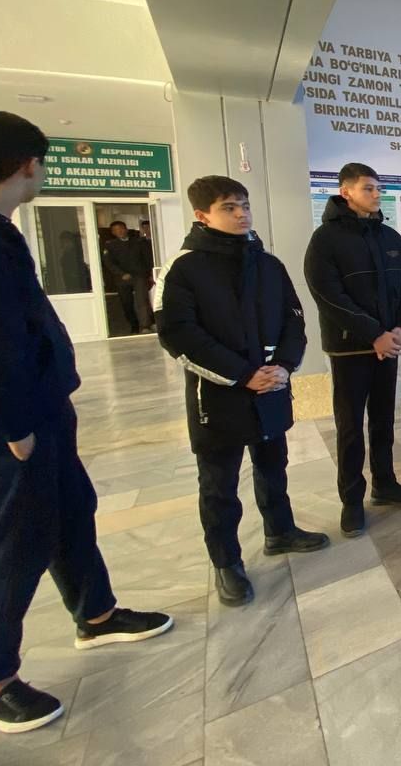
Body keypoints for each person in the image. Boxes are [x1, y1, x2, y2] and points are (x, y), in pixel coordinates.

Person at [0, 111, 172, 735]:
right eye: (42, 162)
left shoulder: (1, 231)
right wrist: (13, 427)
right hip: (13, 425)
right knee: (15, 541)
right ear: (26, 164)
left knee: (71, 512)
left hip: (42, 410)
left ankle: (95, 614)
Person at [156, 176, 329, 607]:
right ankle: (226, 562)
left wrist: (284, 365)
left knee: (273, 465)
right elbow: (180, 336)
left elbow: (293, 319)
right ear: (202, 215)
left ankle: (280, 530)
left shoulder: (267, 264)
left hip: (270, 385)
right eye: (229, 208)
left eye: (245, 206)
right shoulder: (183, 269)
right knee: (219, 484)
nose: (241, 214)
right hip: (220, 395)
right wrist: (243, 374)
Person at [304, 163, 401, 539]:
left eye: (378, 188)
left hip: (389, 344)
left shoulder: (389, 236)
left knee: (384, 419)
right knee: (351, 427)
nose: (376, 194)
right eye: (368, 188)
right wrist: (374, 334)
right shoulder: (325, 239)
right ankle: (352, 500)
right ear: (346, 192)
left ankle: (385, 483)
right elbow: (327, 295)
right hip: (350, 349)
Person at [102, 219, 155, 333]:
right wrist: (121, 273)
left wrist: (149, 274)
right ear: (113, 232)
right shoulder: (110, 245)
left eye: (121, 229)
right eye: (116, 230)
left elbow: (147, 259)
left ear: (126, 229)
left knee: (142, 301)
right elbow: (109, 263)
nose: (119, 231)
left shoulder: (138, 242)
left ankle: (145, 326)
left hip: (139, 275)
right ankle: (134, 325)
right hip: (122, 278)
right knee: (127, 303)